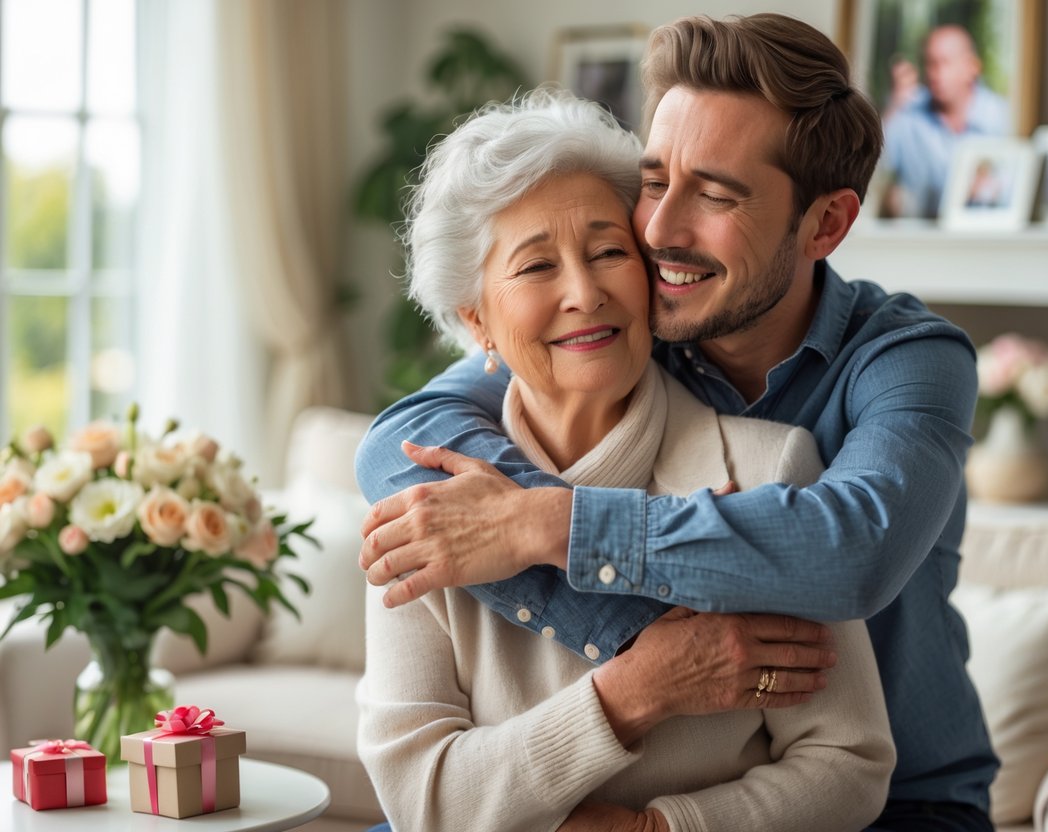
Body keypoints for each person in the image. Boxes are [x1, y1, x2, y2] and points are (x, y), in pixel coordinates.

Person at [357, 13, 999, 831]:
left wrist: (550, 525)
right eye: (655, 180)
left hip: (901, 803)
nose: (657, 231)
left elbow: (850, 554)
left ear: (826, 224)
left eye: (717, 194)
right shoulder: (633, 326)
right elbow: (399, 436)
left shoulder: (907, 362)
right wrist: (642, 668)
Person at [880, 24, 1010, 218]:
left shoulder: (998, 115)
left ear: (972, 67)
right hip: (921, 240)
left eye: (944, 63)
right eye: (930, 63)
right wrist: (894, 106)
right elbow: (873, 164)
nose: (934, 73)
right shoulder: (908, 114)